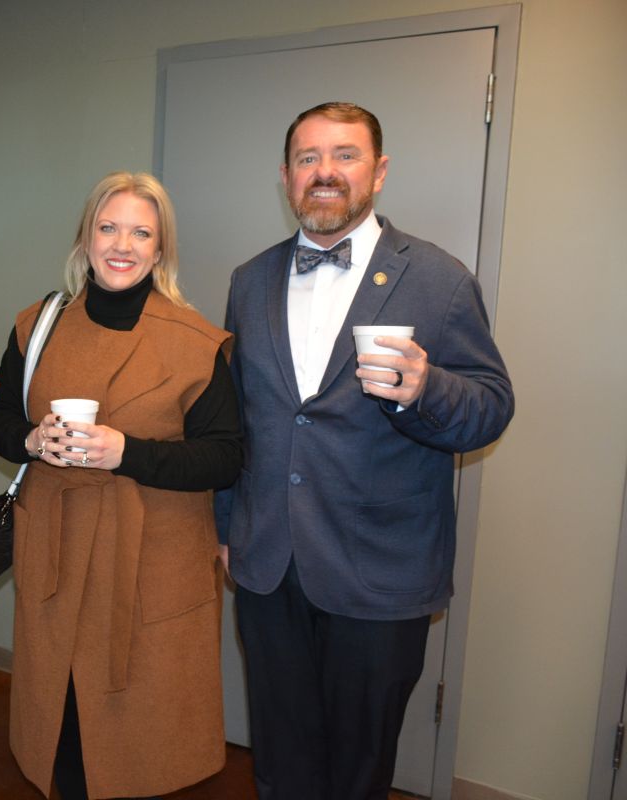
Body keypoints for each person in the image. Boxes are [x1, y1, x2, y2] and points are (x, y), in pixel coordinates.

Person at [220, 101, 514, 799]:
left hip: (380, 572)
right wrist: (227, 527)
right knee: (281, 763)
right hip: (269, 565)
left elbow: (491, 406)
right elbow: (235, 418)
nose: (325, 172)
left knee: (358, 771)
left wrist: (425, 387)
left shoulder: (439, 279)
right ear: (286, 176)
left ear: (379, 172)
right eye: (308, 157)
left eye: (345, 155)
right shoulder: (249, 280)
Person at [0, 172, 243, 799]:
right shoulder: (38, 325)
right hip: (56, 552)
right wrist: (31, 441)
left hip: (152, 561)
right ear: (86, 239)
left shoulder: (196, 343)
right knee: (64, 727)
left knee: (138, 740)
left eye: (140, 233)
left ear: (161, 248)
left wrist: (128, 453)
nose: (122, 245)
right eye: (108, 227)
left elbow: (225, 458)